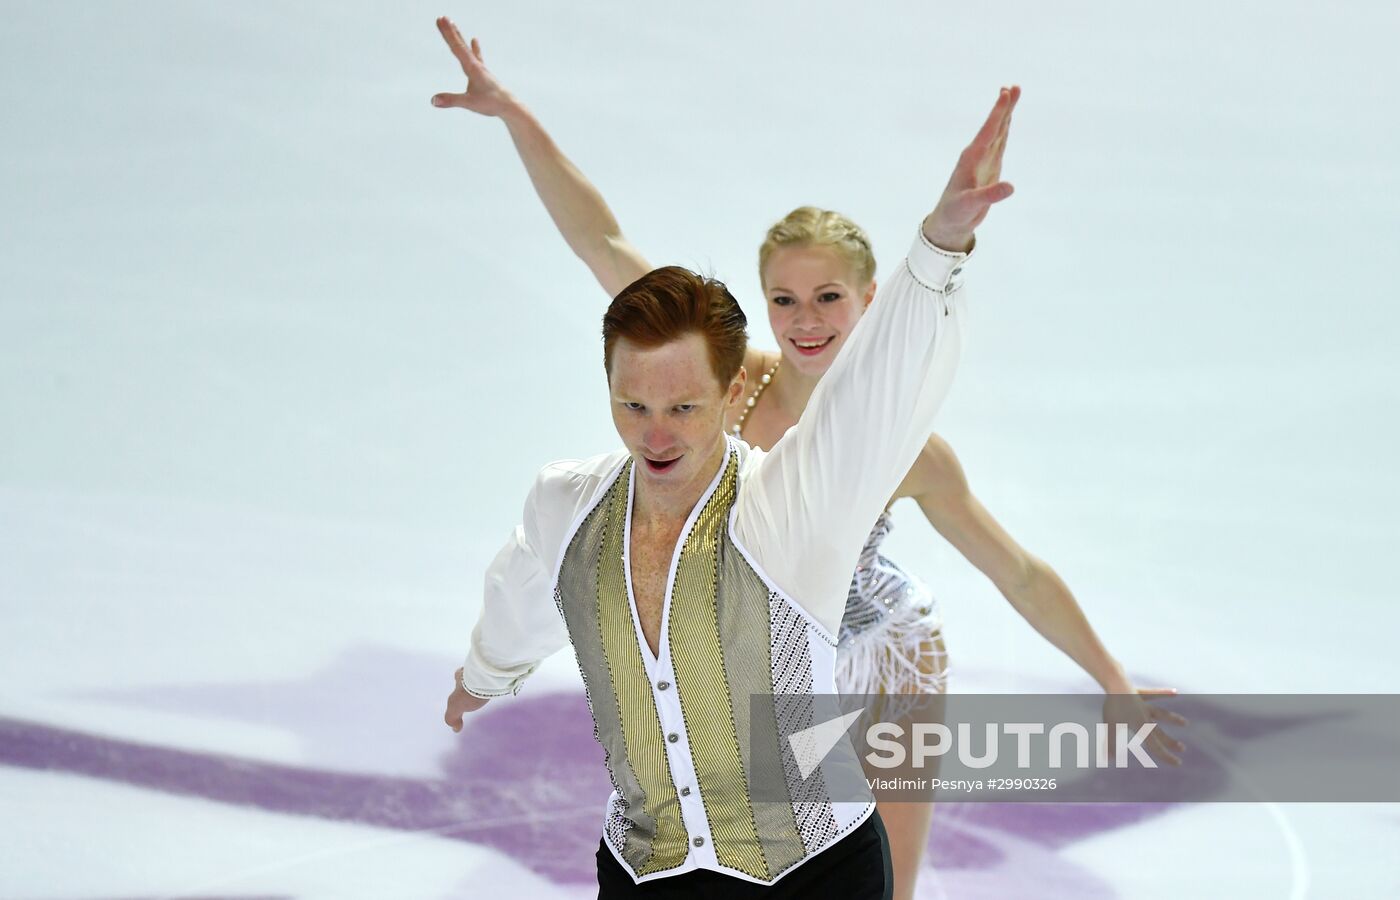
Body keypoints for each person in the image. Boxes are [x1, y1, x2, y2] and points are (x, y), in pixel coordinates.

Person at [432, 16, 1185, 899]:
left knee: (879, 875)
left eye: (829, 296)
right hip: (758, 644)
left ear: (871, 300)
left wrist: (1112, 682)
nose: (806, 319)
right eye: (784, 298)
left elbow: (1015, 572)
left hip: (877, 654)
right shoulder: (725, 387)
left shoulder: (904, 450)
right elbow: (604, 245)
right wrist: (518, 116)